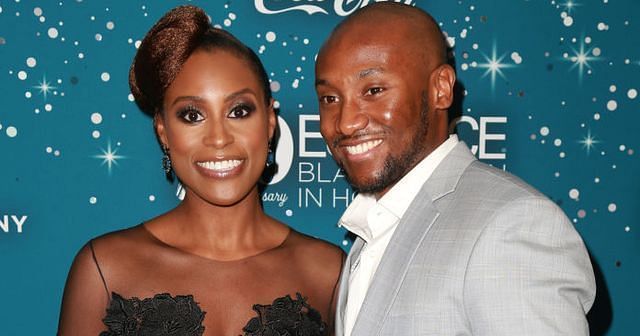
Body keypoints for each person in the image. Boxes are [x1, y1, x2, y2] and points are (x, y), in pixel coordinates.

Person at [59, 5, 343, 336]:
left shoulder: (327, 272)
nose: (219, 138)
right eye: (192, 115)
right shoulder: (105, 268)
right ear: (163, 130)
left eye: (238, 111)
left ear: (269, 123)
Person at [314, 3, 596, 335]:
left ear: (441, 89)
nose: (346, 122)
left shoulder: (512, 225)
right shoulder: (371, 230)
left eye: (374, 91)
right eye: (330, 99)